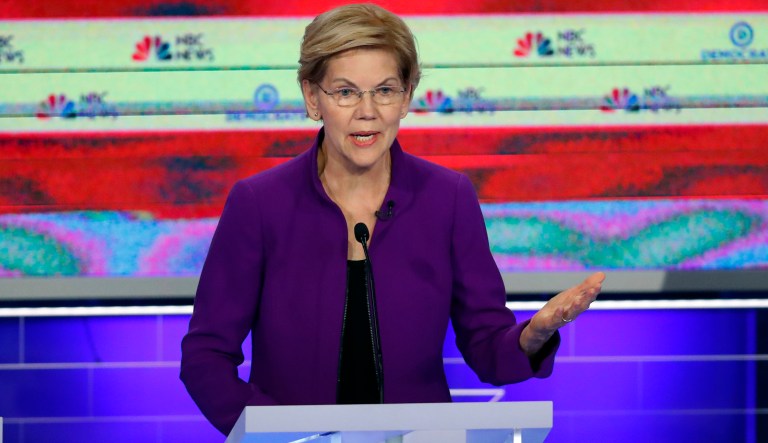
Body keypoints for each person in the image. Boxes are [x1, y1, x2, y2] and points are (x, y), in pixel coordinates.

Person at [180, 3, 605, 436]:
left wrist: (533, 334)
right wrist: (277, 434)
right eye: (345, 92)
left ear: (406, 96)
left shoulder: (447, 198)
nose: (368, 112)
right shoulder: (259, 203)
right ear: (312, 98)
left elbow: (486, 347)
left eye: (384, 90)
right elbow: (205, 357)